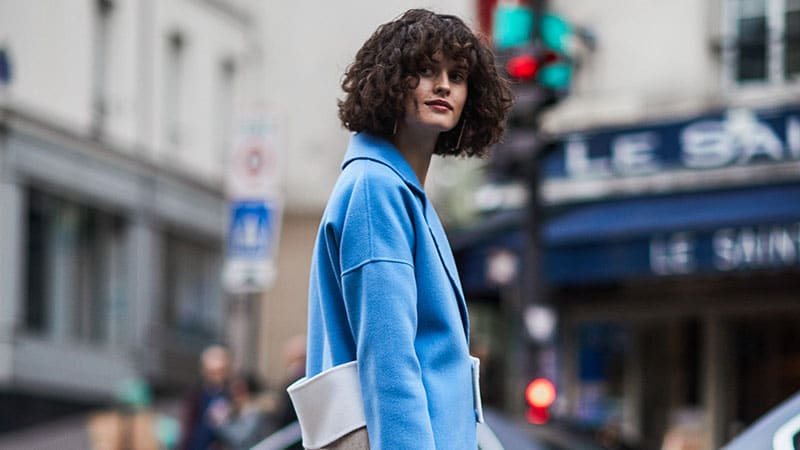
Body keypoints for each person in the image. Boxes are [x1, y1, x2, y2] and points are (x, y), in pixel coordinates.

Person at [303, 8, 512, 449]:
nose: (443, 85)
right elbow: (390, 363)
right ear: (390, 82)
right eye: (424, 70)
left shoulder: (400, 191)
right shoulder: (376, 190)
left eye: (457, 75)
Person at [178, 345, 232, 450]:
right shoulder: (196, 393)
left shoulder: (231, 394)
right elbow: (188, 425)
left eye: (220, 371)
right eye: (212, 372)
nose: (217, 377)